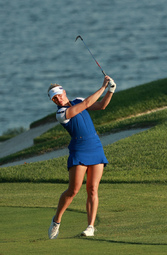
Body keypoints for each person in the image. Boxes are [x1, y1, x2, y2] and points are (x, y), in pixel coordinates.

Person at [47, 75, 116, 239]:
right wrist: (102, 87)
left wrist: (111, 90)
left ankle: (90, 227)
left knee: (93, 189)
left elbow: (101, 105)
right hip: (79, 150)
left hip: (95, 147)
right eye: (54, 99)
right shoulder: (61, 113)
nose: (57, 99)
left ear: (64, 92)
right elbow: (86, 104)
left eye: (58, 95)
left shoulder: (77, 100)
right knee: (73, 190)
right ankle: (56, 220)